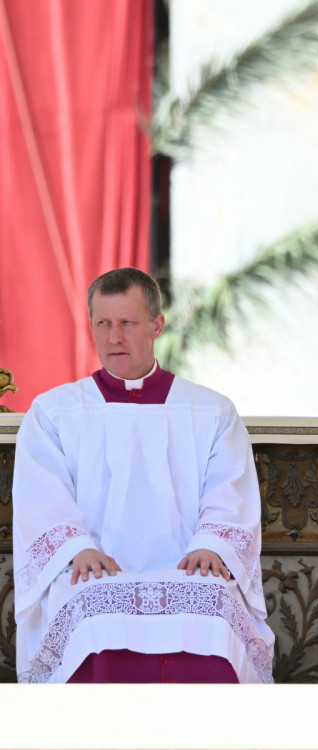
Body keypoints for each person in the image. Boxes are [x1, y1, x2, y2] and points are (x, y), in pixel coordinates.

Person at [13, 268, 274, 683]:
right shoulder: (55, 412)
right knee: (90, 603)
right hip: (90, 568)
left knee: (215, 602)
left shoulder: (209, 411)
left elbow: (229, 489)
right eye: (103, 323)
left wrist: (212, 546)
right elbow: (41, 498)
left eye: (127, 323)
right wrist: (77, 548)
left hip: (189, 567)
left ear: (156, 326)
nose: (114, 337)